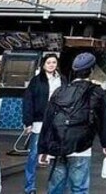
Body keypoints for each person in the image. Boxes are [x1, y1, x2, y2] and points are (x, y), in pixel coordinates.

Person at [38, 52, 106, 194]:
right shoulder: (96, 92)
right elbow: (103, 119)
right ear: (91, 70)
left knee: (55, 187)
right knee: (78, 188)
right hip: (81, 147)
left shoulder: (59, 91)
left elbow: (47, 121)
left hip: (58, 145)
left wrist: (43, 149)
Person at [22, 53, 66, 194]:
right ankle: (30, 187)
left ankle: (55, 188)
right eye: (48, 62)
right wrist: (28, 121)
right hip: (39, 121)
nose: (51, 65)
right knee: (34, 154)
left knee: (57, 155)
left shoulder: (62, 79)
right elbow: (28, 101)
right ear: (43, 64)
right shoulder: (36, 81)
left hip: (57, 121)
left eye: (54, 62)